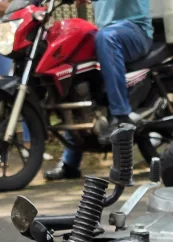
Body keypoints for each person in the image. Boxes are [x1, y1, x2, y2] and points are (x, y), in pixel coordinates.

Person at [46, 0, 153, 181]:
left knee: (106, 37)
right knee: (75, 61)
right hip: (107, 31)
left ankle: (120, 115)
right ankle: (70, 162)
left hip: (135, 30)